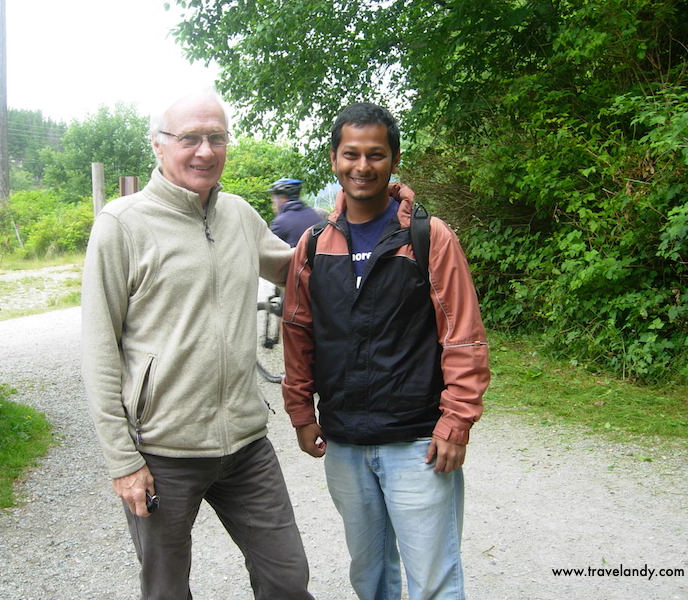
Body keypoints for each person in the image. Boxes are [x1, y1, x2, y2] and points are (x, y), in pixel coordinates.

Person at [81, 91, 314, 600]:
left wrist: (366, 220)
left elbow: (299, 266)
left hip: (246, 445)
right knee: (165, 591)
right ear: (159, 146)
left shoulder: (237, 214)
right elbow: (99, 350)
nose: (205, 151)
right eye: (190, 138)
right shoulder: (121, 225)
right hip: (164, 450)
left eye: (216, 138)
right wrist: (123, 461)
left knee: (287, 578)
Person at [281, 102, 490, 600]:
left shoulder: (427, 237)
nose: (363, 166)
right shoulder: (313, 246)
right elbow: (298, 333)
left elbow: (463, 335)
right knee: (370, 578)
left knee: (434, 583)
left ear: (394, 160)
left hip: (417, 444)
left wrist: (456, 420)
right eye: (350, 154)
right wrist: (300, 412)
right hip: (346, 443)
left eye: (376, 154)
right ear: (334, 159)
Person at [268, 178, 322, 247]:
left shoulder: (280, 222)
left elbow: (270, 252)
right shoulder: (315, 215)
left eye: (273, 202)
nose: (273, 207)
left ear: (282, 199)